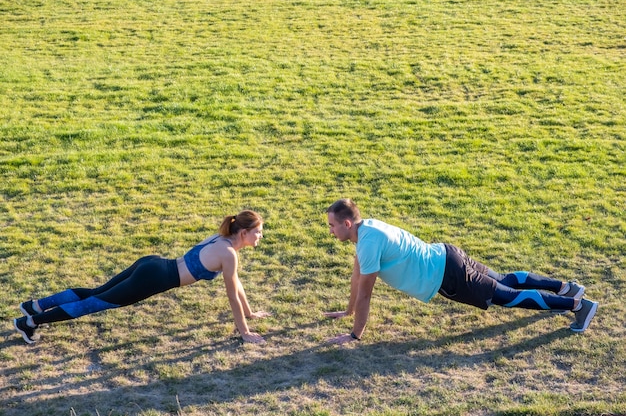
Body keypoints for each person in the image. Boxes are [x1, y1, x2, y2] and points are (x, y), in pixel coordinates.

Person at [323, 199, 599, 344]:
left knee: (505, 296)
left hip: (448, 275)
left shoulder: (368, 244)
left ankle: (579, 306)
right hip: (447, 254)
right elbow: (357, 278)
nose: (330, 231)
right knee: (503, 280)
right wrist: (347, 312)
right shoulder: (367, 230)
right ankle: (566, 288)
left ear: (347, 223)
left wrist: (355, 334)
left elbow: (365, 295)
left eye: (332, 226)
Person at [14, 210, 272, 345]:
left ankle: (34, 306)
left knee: (95, 292)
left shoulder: (222, 239)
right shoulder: (229, 254)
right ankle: (30, 322)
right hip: (152, 279)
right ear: (245, 232)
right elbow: (231, 295)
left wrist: (249, 313)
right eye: (258, 232)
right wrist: (245, 331)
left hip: (153, 263)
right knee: (95, 303)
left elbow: (236, 284)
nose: (260, 237)